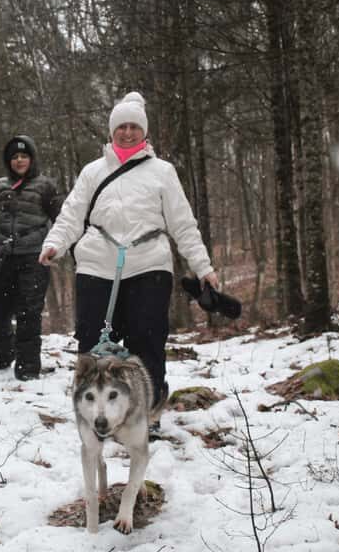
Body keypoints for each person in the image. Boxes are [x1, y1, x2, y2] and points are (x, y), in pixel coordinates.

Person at [38, 92, 220, 422]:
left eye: (134, 126)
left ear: (144, 132)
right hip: (96, 265)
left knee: (146, 341)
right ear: (111, 132)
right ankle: (94, 413)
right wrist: (55, 244)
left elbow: (183, 224)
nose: (127, 132)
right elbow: (71, 215)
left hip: (149, 266)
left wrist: (203, 266)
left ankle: (146, 415)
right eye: (121, 126)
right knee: (92, 343)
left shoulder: (163, 172)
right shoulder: (92, 172)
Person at [0, 135, 64, 380]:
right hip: (3, 256)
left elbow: (62, 218)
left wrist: (58, 247)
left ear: (32, 158)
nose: (19, 160)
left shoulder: (45, 186)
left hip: (34, 256)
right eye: (15, 157)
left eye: (24, 156)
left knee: (29, 312)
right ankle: (5, 355)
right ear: (9, 161)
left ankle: (28, 368)